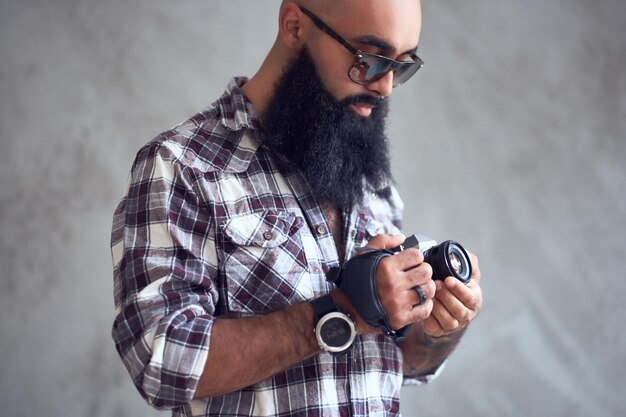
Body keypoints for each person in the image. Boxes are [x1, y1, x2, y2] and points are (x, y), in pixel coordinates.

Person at [110, 0, 483, 416]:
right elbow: (162, 362)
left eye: (402, 65)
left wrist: (440, 328)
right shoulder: (183, 166)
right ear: (294, 26)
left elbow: (405, 364)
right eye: (369, 59)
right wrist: (346, 309)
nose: (385, 86)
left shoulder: (370, 176)